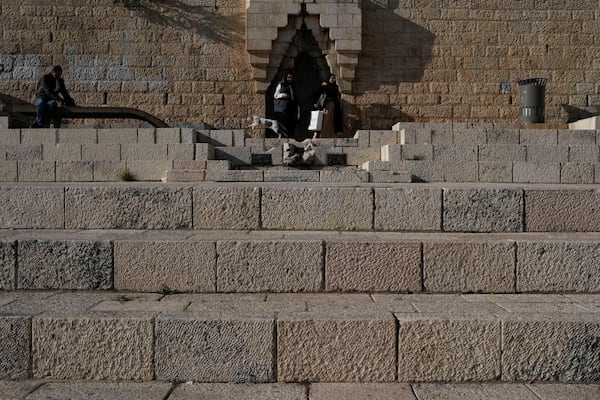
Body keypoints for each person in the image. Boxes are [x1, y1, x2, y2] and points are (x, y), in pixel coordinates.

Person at [313, 73, 343, 137]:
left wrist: (327, 85)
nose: (333, 79)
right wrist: (315, 103)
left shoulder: (334, 86)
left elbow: (333, 92)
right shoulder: (324, 85)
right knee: (323, 120)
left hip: (331, 105)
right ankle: (322, 135)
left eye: (334, 78)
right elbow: (317, 92)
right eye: (332, 78)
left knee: (329, 120)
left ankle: (327, 135)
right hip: (324, 106)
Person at [273, 71, 298, 136]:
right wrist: (282, 95)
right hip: (283, 108)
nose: (290, 79)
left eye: (291, 77)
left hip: (291, 107)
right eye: (288, 77)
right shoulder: (281, 84)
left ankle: (290, 135)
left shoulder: (293, 85)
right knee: (284, 122)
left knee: (291, 122)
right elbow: (275, 95)